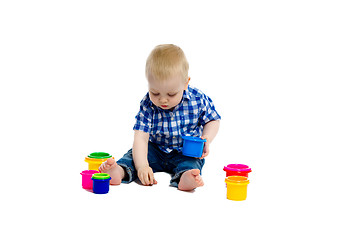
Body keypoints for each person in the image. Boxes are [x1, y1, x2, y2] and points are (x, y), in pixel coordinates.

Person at [99, 44, 221, 191]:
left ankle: (186, 177)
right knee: (134, 155)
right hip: (155, 149)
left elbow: (213, 119)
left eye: (171, 94)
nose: (163, 100)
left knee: (191, 163)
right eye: (155, 93)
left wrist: (206, 137)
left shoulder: (198, 99)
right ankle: (119, 171)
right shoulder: (147, 103)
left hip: (185, 151)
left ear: (185, 83)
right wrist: (143, 166)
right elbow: (141, 138)